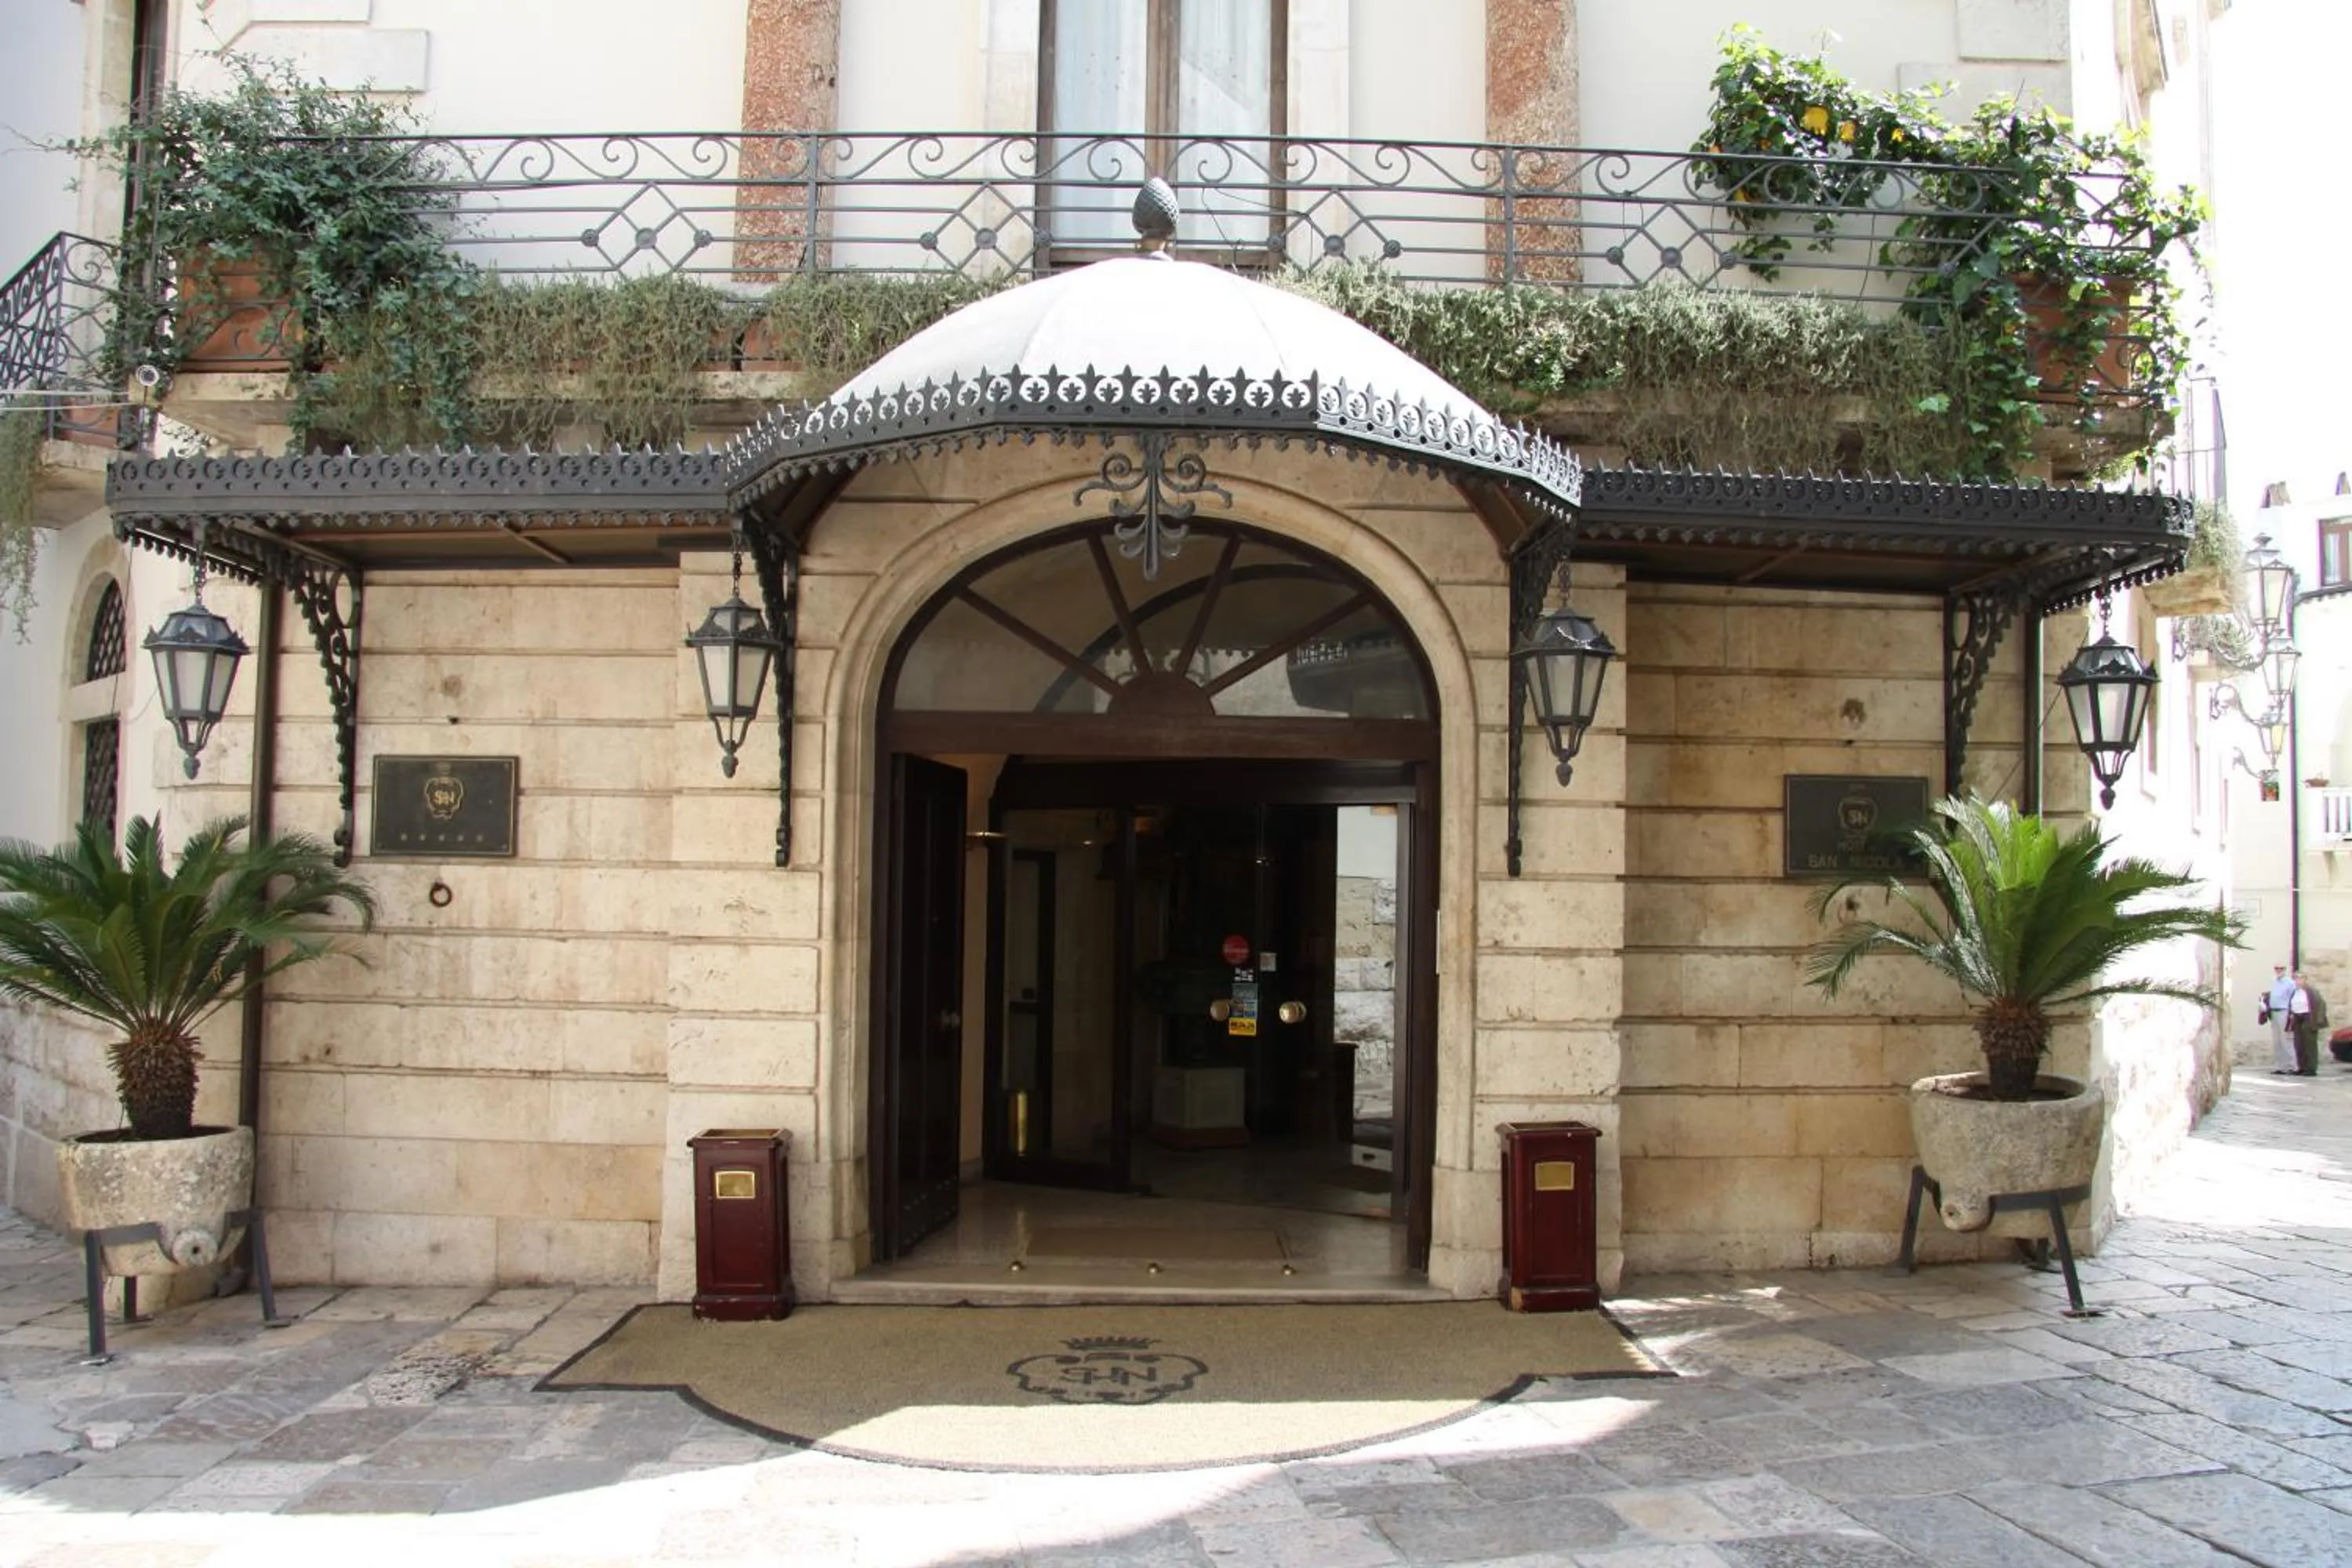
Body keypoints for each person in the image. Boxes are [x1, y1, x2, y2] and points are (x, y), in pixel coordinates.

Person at [2291, 971, 2329, 1076]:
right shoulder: (2295, 992)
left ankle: (2311, 1068)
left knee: (2310, 1044)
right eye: (2297, 978)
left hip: (2308, 1018)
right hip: (2297, 1018)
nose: (2299, 981)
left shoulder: (2311, 991)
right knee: (2299, 1044)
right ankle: (2302, 1067)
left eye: (2301, 978)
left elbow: (2321, 1005)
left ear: (2305, 980)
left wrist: (2318, 1020)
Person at [2267, 963, 2300, 1074]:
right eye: (2276, 968)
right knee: (2277, 1040)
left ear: (2285, 970)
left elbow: (2294, 997)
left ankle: (2292, 1066)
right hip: (2274, 1011)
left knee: (2286, 1039)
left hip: (2284, 1011)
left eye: (2281, 968)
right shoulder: (2274, 981)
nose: (2279, 970)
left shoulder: (2290, 983)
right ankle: (2280, 1066)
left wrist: (2292, 1012)